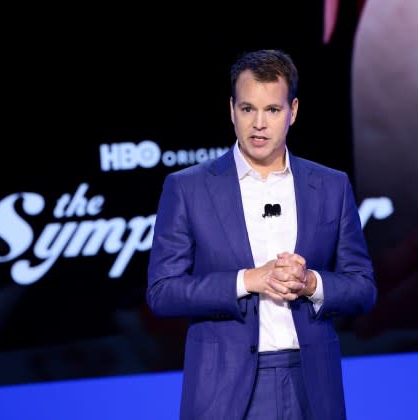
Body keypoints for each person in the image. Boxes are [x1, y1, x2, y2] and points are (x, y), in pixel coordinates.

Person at [146, 49, 377, 420]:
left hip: (312, 384)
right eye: (247, 108)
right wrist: (247, 280)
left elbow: (363, 288)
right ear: (231, 110)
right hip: (224, 389)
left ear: (293, 111)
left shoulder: (332, 186)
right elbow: (162, 292)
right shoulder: (187, 188)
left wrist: (311, 283)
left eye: (272, 110)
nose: (259, 124)